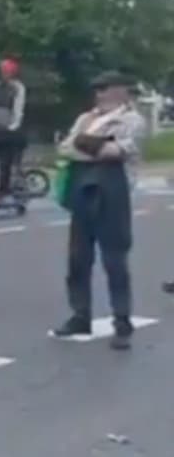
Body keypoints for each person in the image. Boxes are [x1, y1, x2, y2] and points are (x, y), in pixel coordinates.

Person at [52, 71, 145, 350]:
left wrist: (88, 144)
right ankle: (80, 314)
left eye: (104, 88)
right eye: (97, 89)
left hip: (113, 194)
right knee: (78, 258)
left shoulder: (132, 120)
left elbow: (119, 152)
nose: (99, 94)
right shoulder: (86, 118)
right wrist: (96, 145)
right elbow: (67, 148)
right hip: (81, 189)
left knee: (115, 260)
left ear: (120, 91)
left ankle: (122, 321)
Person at [0, 58, 27, 197]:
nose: (4, 74)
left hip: (8, 130)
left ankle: (4, 189)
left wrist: (13, 126)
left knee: (5, 161)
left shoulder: (17, 88)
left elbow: (18, 108)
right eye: (3, 71)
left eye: (7, 72)